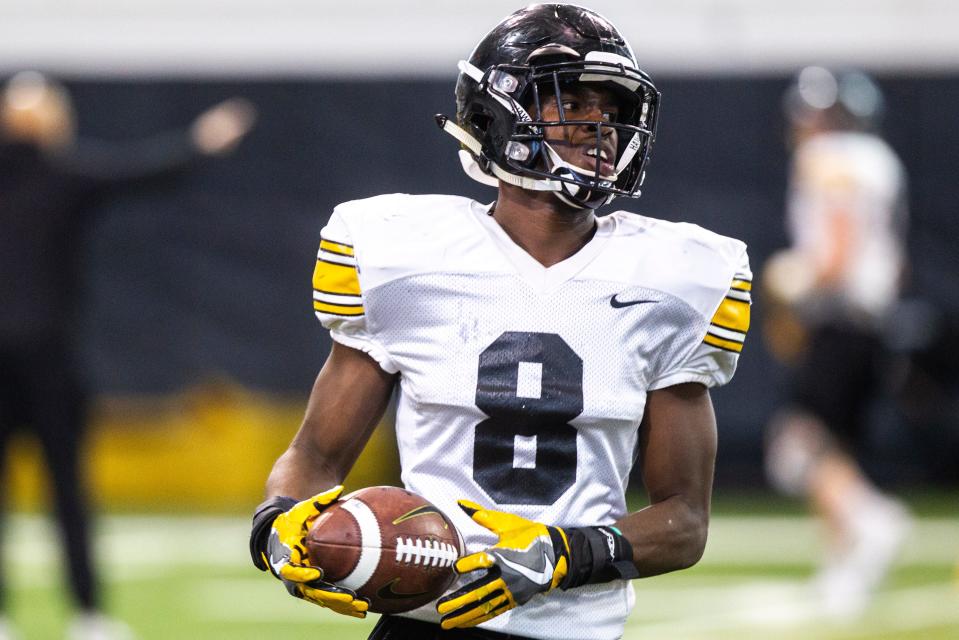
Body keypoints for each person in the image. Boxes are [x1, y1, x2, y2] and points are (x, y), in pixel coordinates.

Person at [249, 5, 751, 639]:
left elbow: (685, 522)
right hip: (426, 623)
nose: (599, 121)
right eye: (571, 98)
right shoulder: (404, 256)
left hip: (575, 628)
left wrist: (558, 555)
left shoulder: (675, 278)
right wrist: (278, 528)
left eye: (611, 105)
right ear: (499, 114)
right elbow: (314, 458)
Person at [0, 70, 255, 640]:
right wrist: (201, 141)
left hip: (32, 362)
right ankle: (88, 614)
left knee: (52, 491)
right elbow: (144, 172)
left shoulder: (60, 176)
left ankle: (65, 614)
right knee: (67, 490)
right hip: (46, 361)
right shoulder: (61, 175)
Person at [762, 65, 912, 618]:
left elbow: (838, 248)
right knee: (835, 447)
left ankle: (874, 520)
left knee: (796, 448)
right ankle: (841, 577)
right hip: (874, 319)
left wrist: (798, 282)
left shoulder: (827, 160)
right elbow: (895, 262)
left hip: (839, 315)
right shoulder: (882, 162)